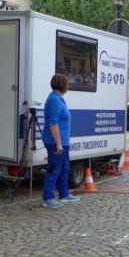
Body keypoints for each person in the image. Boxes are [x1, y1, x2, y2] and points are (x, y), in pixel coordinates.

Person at [42, 74, 80, 208]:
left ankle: (64, 194)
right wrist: (58, 143)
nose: (68, 86)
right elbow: (53, 124)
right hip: (55, 143)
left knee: (64, 168)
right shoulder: (54, 100)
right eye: (67, 83)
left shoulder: (59, 99)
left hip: (63, 142)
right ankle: (48, 198)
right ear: (62, 85)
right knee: (54, 169)